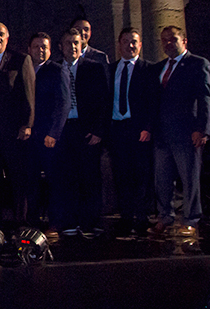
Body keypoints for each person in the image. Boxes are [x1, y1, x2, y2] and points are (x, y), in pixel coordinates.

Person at [150, 26, 210, 237]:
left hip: (186, 132)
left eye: (173, 39)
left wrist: (202, 129)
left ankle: (191, 219)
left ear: (184, 41)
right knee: (162, 179)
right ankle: (165, 216)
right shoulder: (159, 67)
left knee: (189, 178)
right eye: (164, 40)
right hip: (162, 134)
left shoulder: (197, 64)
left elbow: (204, 99)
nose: (168, 43)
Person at [53, 28, 109, 238]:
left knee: (90, 177)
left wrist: (98, 131)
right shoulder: (55, 69)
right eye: (69, 43)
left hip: (87, 130)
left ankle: (91, 222)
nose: (73, 47)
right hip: (64, 130)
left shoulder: (93, 68)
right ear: (61, 47)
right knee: (67, 177)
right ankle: (70, 221)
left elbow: (104, 101)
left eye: (77, 43)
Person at [0, 22, 35, 226]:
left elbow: (29, 95)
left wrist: (28, 124)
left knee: (17, 178)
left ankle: (20, 222)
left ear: (7, 38)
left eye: (1, 34)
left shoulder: (21, 60)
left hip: (14, 131)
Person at [108, 28, 153, 237]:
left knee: (141, 175)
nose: (130, 45)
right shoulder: (110, 69)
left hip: (139, 129)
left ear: (140, 44)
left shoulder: (148, 69)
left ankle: (142, 218)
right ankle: (126, 217)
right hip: (117, 129)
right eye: (126, 41)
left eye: (134, 42)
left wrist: (147, 127)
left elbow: (154, 102)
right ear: (119, 45)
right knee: (121, 175)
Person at [26, 32, 69, 237]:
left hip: (49, 137)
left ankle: (56, 223)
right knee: (31, 181)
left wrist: (54, 132)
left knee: (54, 181)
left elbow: (63, 103)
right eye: (36, 47)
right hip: (29, 137)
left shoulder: (57, 70)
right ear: (29, 49)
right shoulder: (25, 70)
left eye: (44, 47)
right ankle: (33, 223)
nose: (40, 50)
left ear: (50, 50)